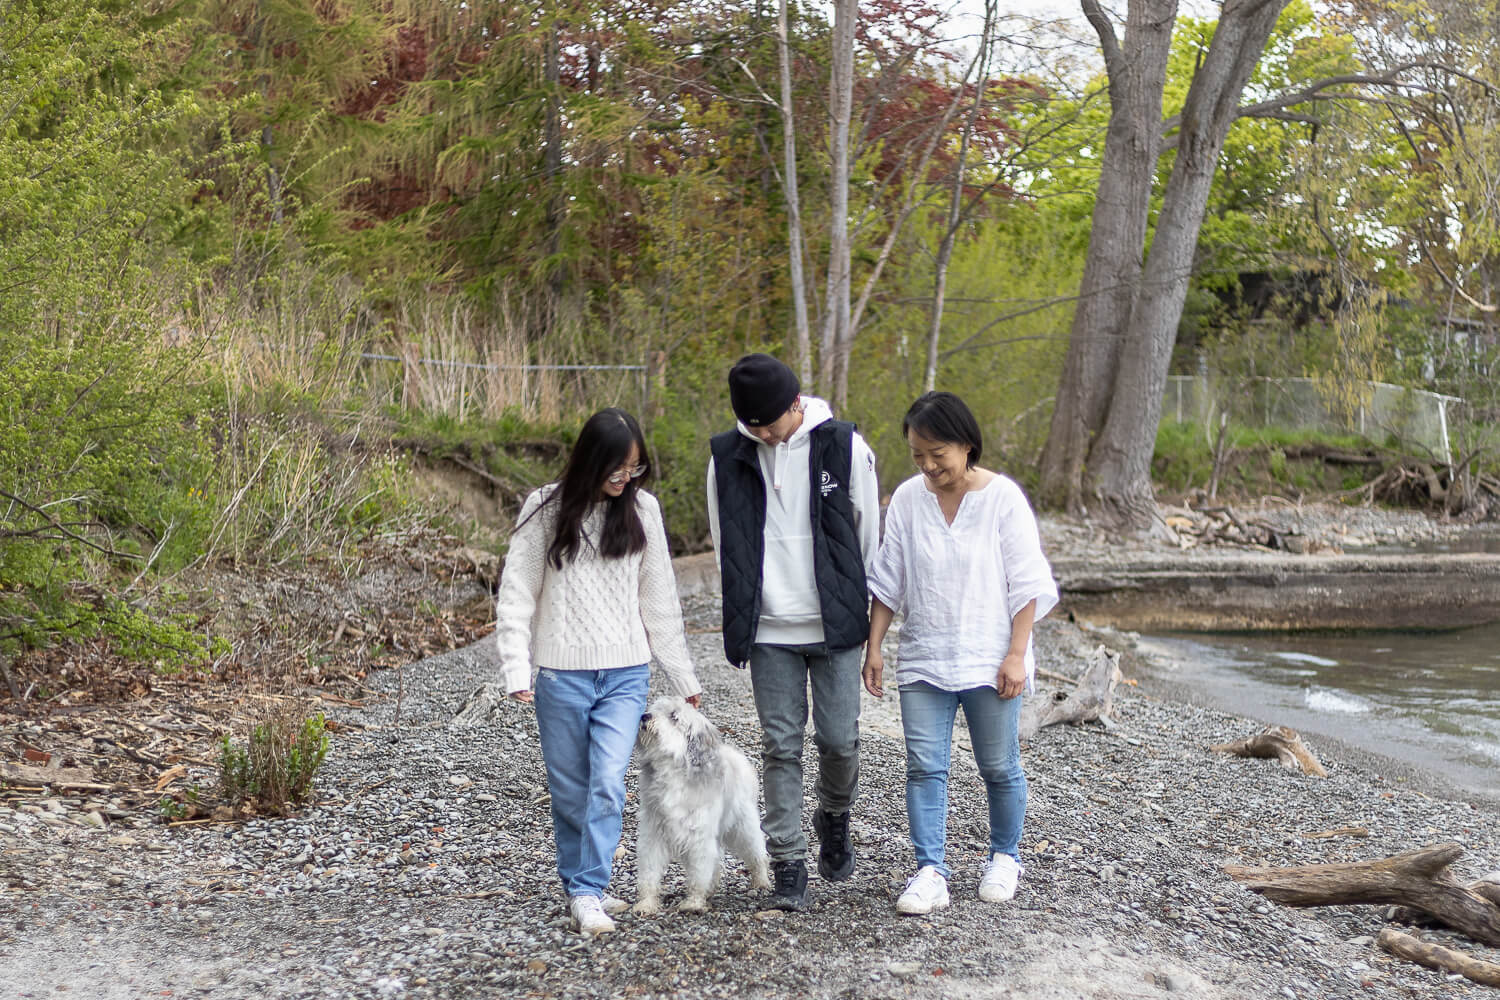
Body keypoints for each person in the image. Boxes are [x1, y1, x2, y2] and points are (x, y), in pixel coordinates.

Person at [496, 407, 702, 936]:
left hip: (625, 673)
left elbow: (659, 601)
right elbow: (518, 592)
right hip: (561, 676)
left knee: (608, 783)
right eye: (617, 469)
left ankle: (589, 890)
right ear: (592, 459)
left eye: (633, 469)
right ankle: (576, 885)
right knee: (570, 790)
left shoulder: (644, 510)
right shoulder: (546, 506)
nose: (625, 479)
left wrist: (683, 678)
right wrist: (516, 666)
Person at [862, 391, 1058, 915]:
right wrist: (874, 646)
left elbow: (1028, 584)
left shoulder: (1003, 498)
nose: (928, 466)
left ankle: (1005, 856)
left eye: (938, 455)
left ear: (966, 445)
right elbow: (889, 579)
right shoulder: (907, 498)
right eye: (918, 456)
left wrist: (1017, 654)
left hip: (989, 656)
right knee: (925, 766)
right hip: (924, 656)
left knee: (999, 765)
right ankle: (930, 870)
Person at [706, 353, 880, 910]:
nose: (760, 433)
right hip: (769, 629)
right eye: (750, 425)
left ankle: (833, 813)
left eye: (769, 423)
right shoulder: (727, 457)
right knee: (780, 745)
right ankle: (788, 865)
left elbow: (866, 532)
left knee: (839, 741)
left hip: (833, 625)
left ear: (795, 404)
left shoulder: (844, 446)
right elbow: (723, 542)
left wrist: (862, 610)